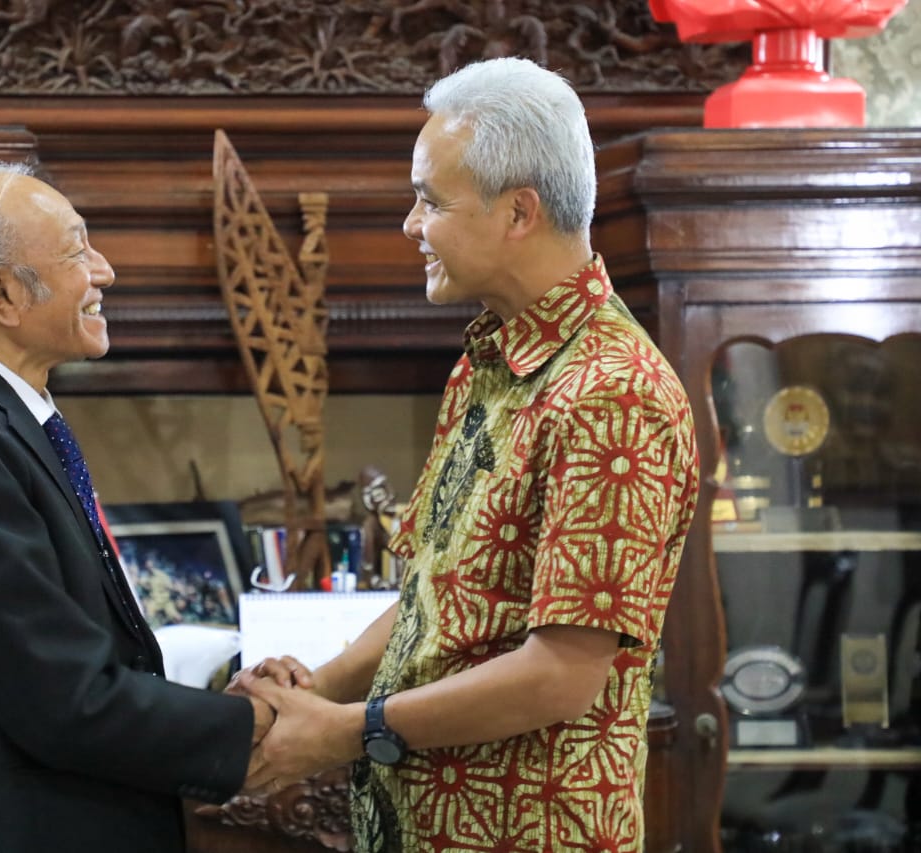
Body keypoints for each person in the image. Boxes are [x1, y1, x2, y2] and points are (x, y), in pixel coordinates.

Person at [237, 57, 700, 853]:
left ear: (518, 211)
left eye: (430, 201)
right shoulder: (492, 359)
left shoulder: (612, 391)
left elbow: (561, 671)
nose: (411, 226)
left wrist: (347, 730)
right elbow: (437, 592)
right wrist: (317, 689)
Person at [0, 162, 272, 852]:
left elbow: (65, 648)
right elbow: (63, 700)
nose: (105, 270)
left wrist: (212, 701)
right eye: (78, 249)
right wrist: (255, 725)